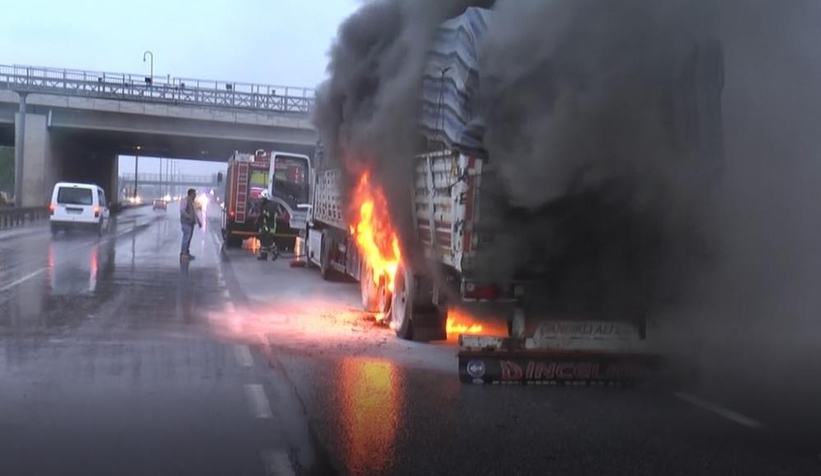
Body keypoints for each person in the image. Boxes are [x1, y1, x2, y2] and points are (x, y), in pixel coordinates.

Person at [256, 189, 278, 260]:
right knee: (263, 241)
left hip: (269, 227)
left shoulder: (270, 206)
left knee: (268, 241)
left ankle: (275, 252)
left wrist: (266, 226)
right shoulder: (265, 205)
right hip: (264, 226)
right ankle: (263, 255)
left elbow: (269, 217)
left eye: (263, 197)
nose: (261, 199)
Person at [180, 188, 202, 260]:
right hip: (186, 223)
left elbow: (195, 213)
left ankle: (187, 252)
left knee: (189, 238)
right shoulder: (185, 200)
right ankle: (183, 253)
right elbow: (182, 210)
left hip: (191, 223)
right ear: (191, 194)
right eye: (194, 194)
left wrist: (198, 221)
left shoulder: (193, 202)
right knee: (186, 238)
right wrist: (188, 216)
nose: (195, 195)